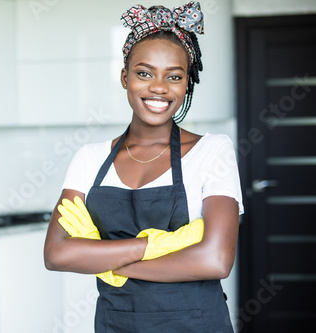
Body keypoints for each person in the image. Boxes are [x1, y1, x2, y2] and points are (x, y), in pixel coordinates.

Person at [44, 1, 243, 332]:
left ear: (186, 84)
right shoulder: (90, 158)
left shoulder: (213, 150)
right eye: (144, 73)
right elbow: (56, 255)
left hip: (196, 324)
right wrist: (153, 245)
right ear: (125, 77)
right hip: (115, 324)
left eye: (174, 76)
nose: (159, 88)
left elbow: (215, 260)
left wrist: (109, 262)